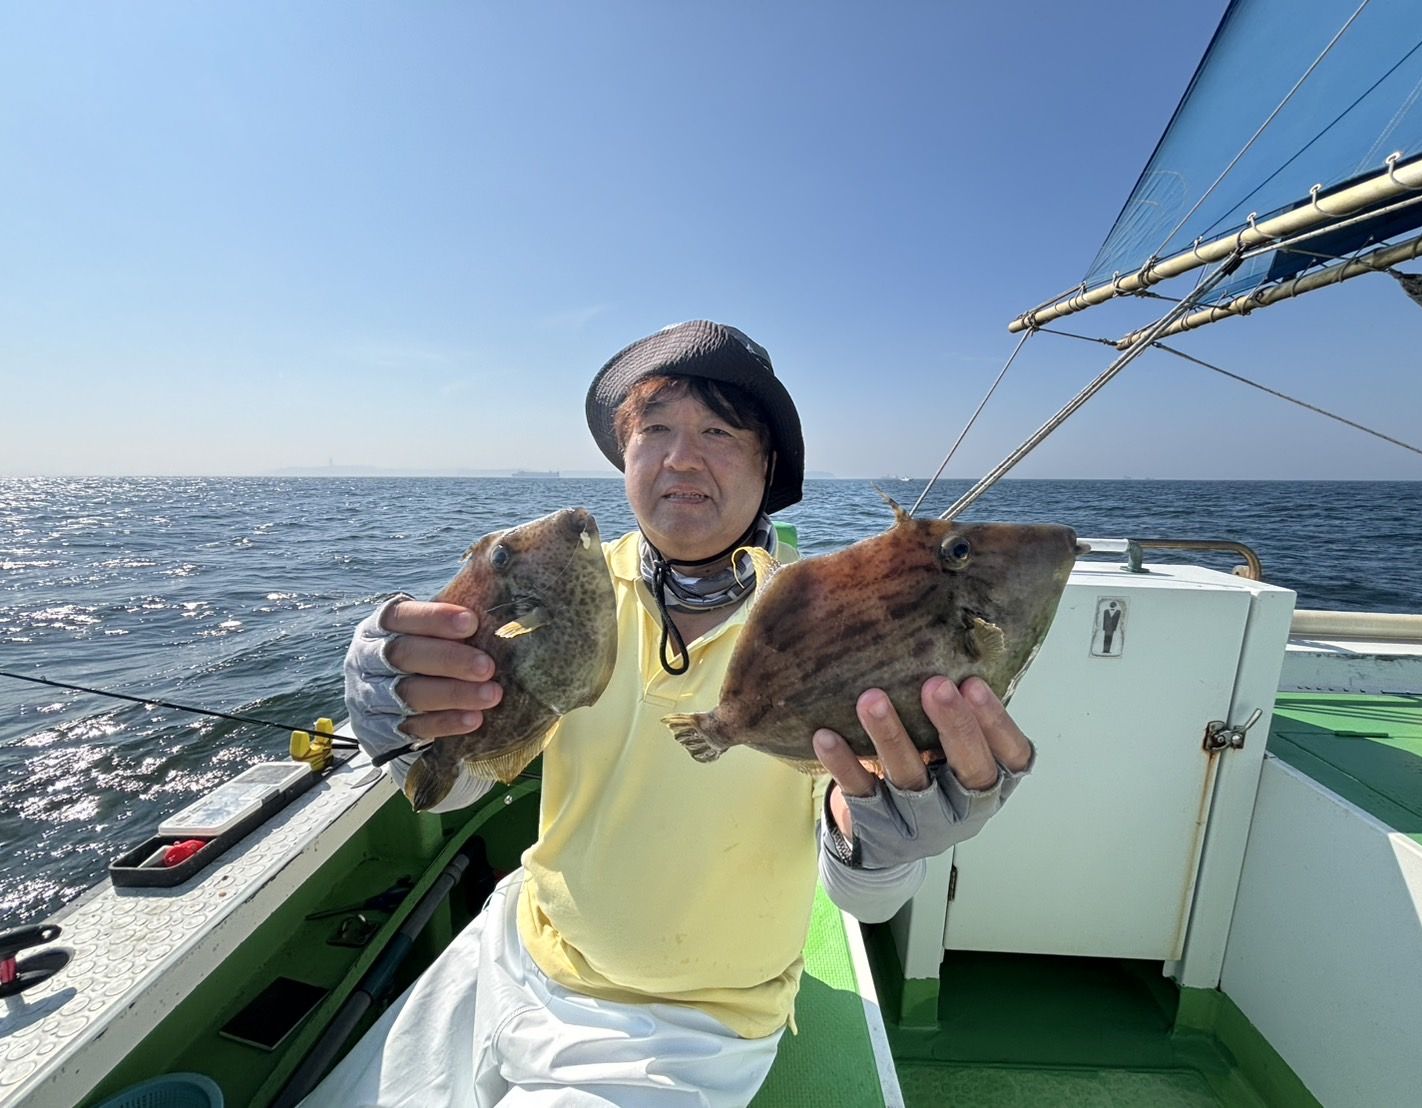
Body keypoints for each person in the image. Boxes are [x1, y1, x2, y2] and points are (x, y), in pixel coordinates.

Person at [317, 320, 1037, 1107]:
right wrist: (395, 716)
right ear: (625, 457)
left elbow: (863, 899)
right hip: (515, 941)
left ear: (767, 466)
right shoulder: (565, 584)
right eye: (653, 430)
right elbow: (452, 791)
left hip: (685, 1028)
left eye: (718, 432)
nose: (681, 457)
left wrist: (890, 842)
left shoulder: (836, 621)